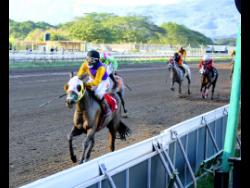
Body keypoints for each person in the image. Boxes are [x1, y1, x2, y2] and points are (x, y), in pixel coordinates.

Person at [77, 50, 112, 117]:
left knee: (98, 94)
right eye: (88, 59)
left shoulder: (101, 67)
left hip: (102, 81)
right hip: (92, 78)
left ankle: (107, 109)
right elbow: (79, 75)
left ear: (97, 60)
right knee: (83, 90)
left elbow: (96, 82)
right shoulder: (84, 64)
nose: (89, 62)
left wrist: (85, 84)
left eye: (92, 60)